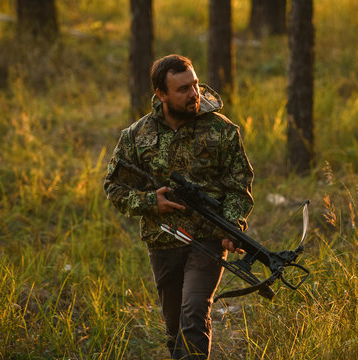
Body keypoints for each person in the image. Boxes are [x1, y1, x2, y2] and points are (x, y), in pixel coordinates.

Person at [104, 54, 254, 359]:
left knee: (194, 316)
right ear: (161, 94)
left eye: (195, 84)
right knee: (174, 329)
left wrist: (233, 224)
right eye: (183, 89)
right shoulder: (136, 136)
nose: (194, 94)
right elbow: (114, 187)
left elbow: (239, 185)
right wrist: (151, 201)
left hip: (208, 240)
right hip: (162, 242)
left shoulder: (222, 130)